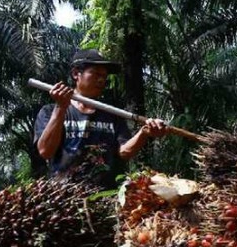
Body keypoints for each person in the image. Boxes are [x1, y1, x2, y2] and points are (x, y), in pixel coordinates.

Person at [34, 49, 168, 186]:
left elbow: (124, 152)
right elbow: (45, 151)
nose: (101, 80)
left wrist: (144, 133)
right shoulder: (50, 111)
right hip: (65, 199)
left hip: (105, 198)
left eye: (104, 76)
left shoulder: (113, 114)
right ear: (76, 74)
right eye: (96, 74)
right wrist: (60, 108)